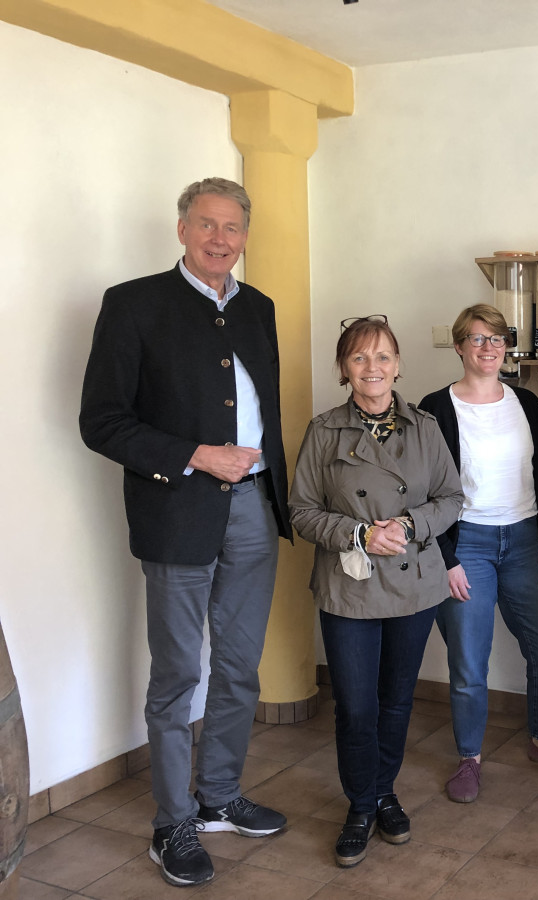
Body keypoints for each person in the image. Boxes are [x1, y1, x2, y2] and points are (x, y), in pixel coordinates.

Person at [79, 177, 290, 887]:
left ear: (244, 237)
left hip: (255, 509)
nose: (219, 239)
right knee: (177, 676)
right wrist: (195, 454)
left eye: (232, 228)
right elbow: (101, 421)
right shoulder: (133, 304)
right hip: (178, 510)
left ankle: (219, 798)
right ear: (182, 229)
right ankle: (171, 825)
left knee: (239, 667)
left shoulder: (258, 308)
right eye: (206, 224)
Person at [290, 316, 463, 867]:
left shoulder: (426, 426)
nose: (373, 368)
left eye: (383, 356)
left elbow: (451, 497)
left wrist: (407, 527)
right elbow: (301, 510)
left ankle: (384, 792)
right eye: (360, 358)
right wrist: (361, 533)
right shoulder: (324, 431)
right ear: (344, 368)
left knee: (396, 701)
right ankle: (360, 805)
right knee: (356, 706)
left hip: (414, 582)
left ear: (398, 364)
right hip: (351, 584)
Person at [419, 304, 538, 803]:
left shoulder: (527, 404)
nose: (488, 348)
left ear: (507, 347)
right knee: (469, 662)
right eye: (477, 339)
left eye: (497, 339)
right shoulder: (433, 409)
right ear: (458, 347)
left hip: (523, 541)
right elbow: (422, 490)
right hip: (466, 544)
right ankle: (469, 759)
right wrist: (446, 558)